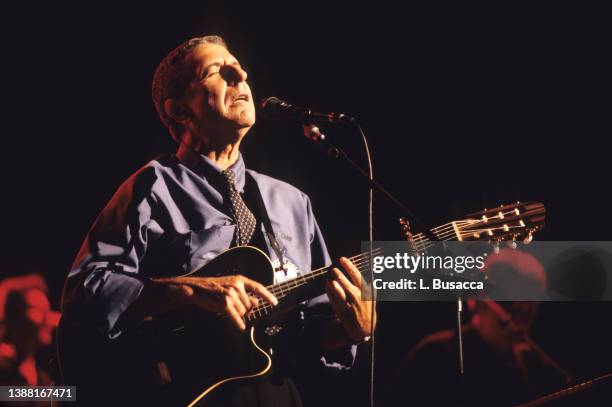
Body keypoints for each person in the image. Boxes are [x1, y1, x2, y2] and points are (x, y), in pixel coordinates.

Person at [61, 35, 375, 407]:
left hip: (276, 390)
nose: (239, 73)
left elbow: (312, 327)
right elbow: (84, 290)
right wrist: (193, 289)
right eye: (216, 71)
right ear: (180, 111)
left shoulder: (291, 201)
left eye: (238, 66)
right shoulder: (153, 186)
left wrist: (353, 330)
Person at [386, 249, 570, 406]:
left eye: (532, 306)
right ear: (480, 299)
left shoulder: (530, 369)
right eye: (516, 304)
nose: (523, 318)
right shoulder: (437, 354)